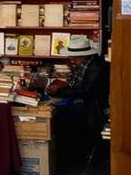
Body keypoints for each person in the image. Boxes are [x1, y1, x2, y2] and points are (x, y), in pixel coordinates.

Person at [46, 35, 109, 163]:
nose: (72, 60)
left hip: (94, 108)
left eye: (74, 57)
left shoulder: (96, 67)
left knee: (62, 117)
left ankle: (73, 154)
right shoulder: (88, 64)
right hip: (88, 104)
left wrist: (59, 91)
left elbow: (85, 91)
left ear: (82, 56)